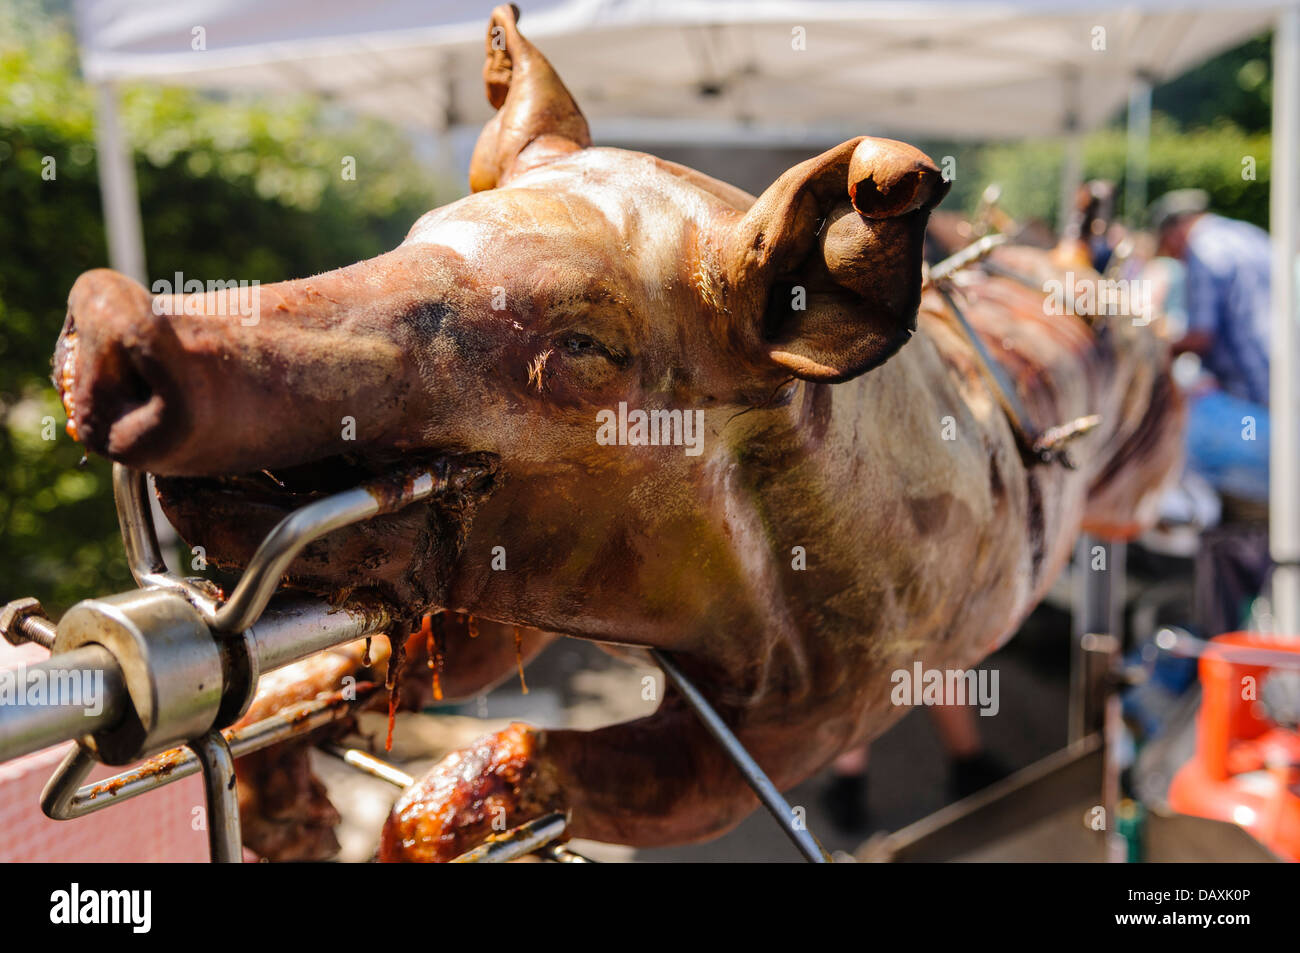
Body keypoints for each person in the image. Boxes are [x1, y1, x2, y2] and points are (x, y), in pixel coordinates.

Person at [1150, 189, 1271, 504]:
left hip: (1251, 401)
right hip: (1280, 392)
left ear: (1175, 232)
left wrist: (1150, 345)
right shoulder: (1251, 234)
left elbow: (1201, 337)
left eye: (1170, 251)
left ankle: (1189, 524)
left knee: (1167, 433)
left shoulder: (1202, 249)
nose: (1176, 258)